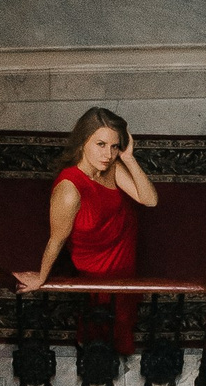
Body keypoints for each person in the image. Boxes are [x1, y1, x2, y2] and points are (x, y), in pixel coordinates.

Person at [14, 107, 158, 352]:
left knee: (124, 314)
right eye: (100, 144)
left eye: (114, 146)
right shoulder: (69, 189)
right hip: (95, 265)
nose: (108, 154)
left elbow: (150, 200)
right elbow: (57, 239)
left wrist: (129, 158)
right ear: (83, 142)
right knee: (98, 319)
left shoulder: (112, 166)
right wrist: (42, 276)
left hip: (123, 252)